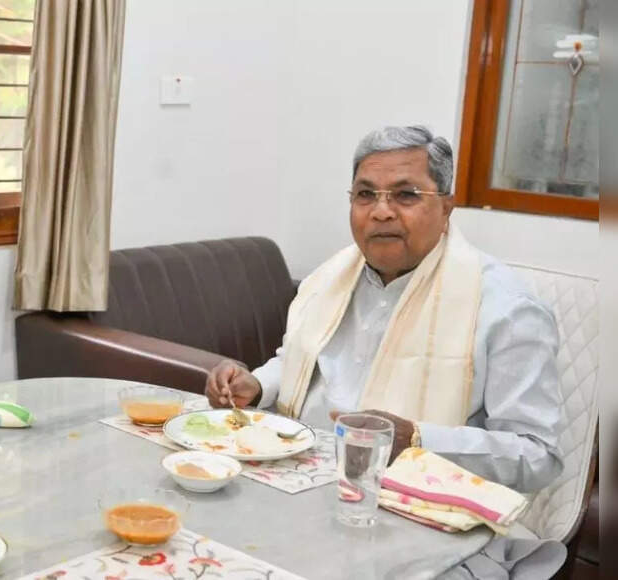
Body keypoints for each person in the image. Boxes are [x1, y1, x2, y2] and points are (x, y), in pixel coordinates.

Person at [205, 126, 564, 494]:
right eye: (365, 195)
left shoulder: (506, 309)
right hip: (296, 479)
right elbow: (303, 360)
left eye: (405, 195)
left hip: (419, 507)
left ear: (445, 208)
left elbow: (537, 455)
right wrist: (259, 385)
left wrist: (419, 442)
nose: (380, 212)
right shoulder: (328, 280)